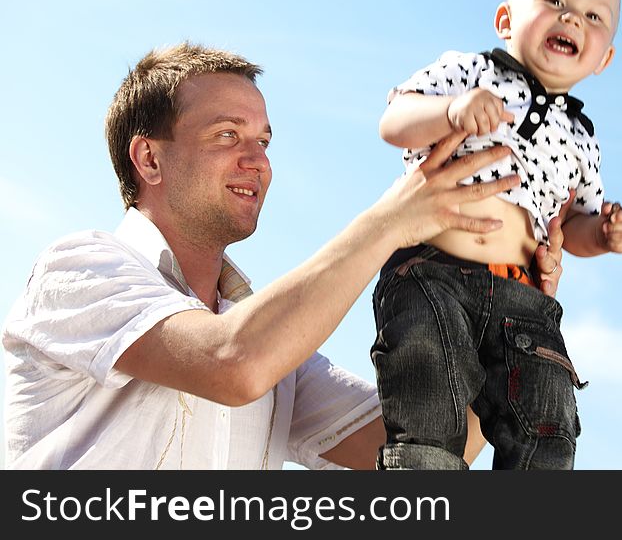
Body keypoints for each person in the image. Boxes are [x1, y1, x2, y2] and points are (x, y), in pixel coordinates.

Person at [2, 42, 567, 470]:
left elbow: (431, 438)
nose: (258, 161)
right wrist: (391, 221)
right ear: (148, 159)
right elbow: (232, 362)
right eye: (227, 135)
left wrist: (510, 313)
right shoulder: (77, 269)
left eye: (264, 142)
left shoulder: (279, 354)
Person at [371, 0, 622, 469]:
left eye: (593, 16)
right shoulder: (470, 73)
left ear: (604, 58)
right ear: (505, 20)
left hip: (522, 299)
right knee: (428, 399)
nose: (571, 18)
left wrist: (603, 235)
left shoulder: (583, 137)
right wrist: (451, 111)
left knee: (547, 423)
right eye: (555, 0)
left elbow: (573, 226)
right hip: (434, 271)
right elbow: (394, 119)